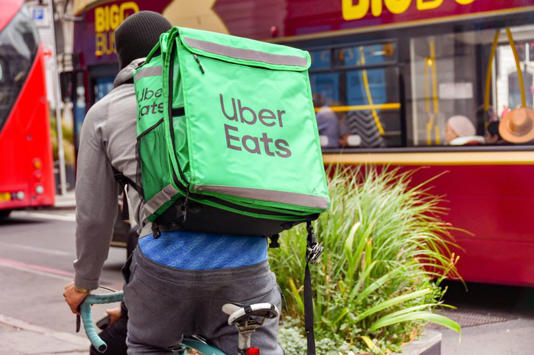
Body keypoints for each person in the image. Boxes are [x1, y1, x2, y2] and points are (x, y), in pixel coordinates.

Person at [63, 11, 283, 355]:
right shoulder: (216, 90)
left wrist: (84, 283)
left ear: (122, 58)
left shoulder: (105, 113)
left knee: (150, 344)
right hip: (247, 262)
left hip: (166, 266)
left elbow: (94, 217)